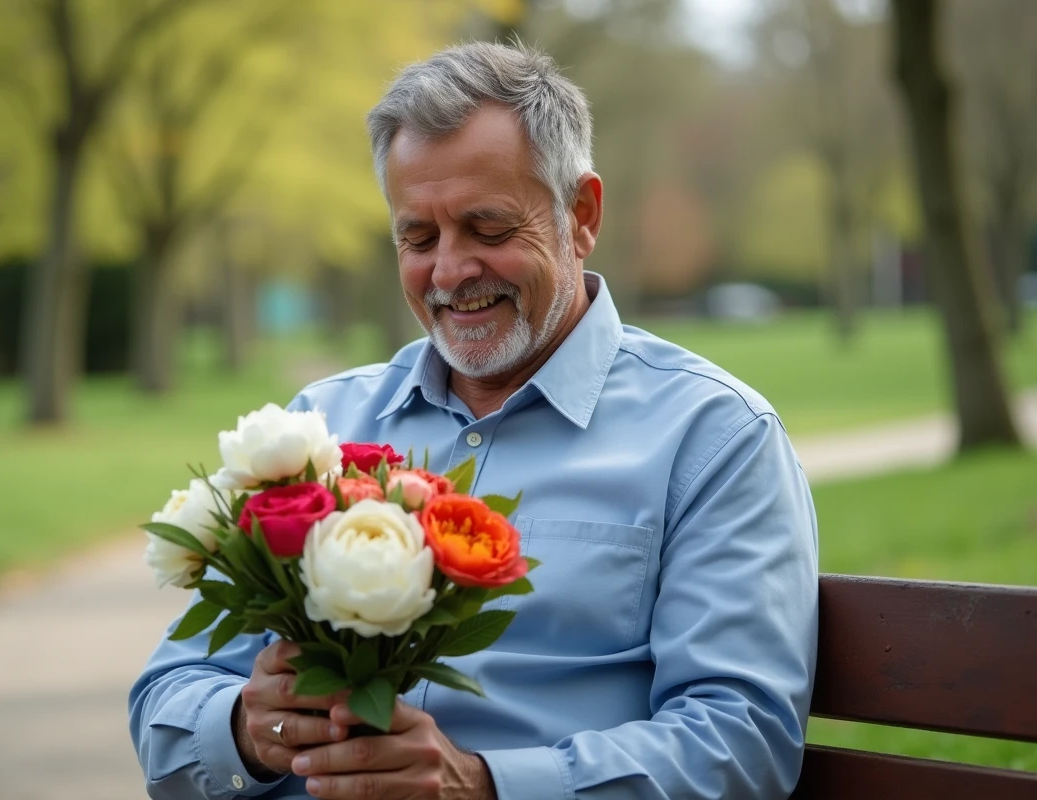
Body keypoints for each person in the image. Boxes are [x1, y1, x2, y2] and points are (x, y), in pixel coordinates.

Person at [129, 41, 818, 800]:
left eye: (487, 229)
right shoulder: (315, 429)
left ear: (580, 215)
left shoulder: (714, 438)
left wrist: (485, 787)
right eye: (417, 238)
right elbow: (168, 702)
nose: (450, 272)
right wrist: (246, 731)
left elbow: (741, 740)